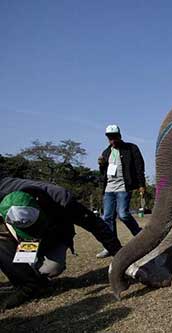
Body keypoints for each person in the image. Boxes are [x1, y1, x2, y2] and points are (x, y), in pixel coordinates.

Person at [0, 176, 122, 310]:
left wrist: (122, 256)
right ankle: (26, 284)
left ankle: (35, 276)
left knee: (51, 269)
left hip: (55, 234)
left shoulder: (61, 199)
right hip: (21, 236)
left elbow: (94, 224)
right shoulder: (3, 190)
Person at [96, 124, 146, 258]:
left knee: (123, 214)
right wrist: (101, 165)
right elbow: (103, 173)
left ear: (119, 135)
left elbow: (139, 166)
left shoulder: (131, 148)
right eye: (109, 137)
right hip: (109, 189)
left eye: (114, 136)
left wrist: (142, 184)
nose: (112, 139)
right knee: (107, 217)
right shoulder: (106, 152)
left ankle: (141, 236)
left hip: (124, 187)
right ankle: (111, 247)